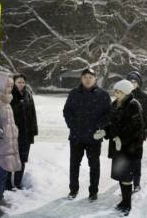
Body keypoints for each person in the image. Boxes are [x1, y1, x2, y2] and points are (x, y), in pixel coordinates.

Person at [94, 79, 144, 216]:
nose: (116, 93)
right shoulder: (115, 104)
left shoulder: (134, 105)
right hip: (118, 147)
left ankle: (127, 205)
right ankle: (123, 201)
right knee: (121, 176)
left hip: (130, 148)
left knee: (127, 177)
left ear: (127, 91)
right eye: (115, 91)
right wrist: (105, 131)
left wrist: (122, 139)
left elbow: (136, 128)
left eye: (119, 91)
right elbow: (112, 123)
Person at [63, 68, 111, 201]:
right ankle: (73, 190)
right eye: (85, 77)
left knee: (94, 165)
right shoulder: (74, 93)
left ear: (95, 78)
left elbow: (108, 113)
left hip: (94, 137)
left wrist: (99, 126)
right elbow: (67, 111)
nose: (88, 80)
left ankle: (93, 191)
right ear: (81, 79)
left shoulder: (103, 94)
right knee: (74, 165)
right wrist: (73, 126)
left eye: (90, 77)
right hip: (76, 136)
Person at [0, 72, 22, 216]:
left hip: (8, 144)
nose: (10, 88)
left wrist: (14, 131)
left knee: (4, 174)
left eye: (11, 85)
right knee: (0, 175)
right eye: (7, 85)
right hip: (0, 146)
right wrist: (2, 135)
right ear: (0, 85)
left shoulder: (6, 101)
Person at [6, 73, 38, 190]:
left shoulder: (28, 94)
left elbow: (33, 114)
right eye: (19, 82)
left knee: (22, 160)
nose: (21, 84)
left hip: (26, 134)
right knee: (10, 159)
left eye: (23, 82)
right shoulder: (9, 94)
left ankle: (18, 183)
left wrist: (33, 131)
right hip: (13, 133)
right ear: (14, 82)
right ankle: (7, 184)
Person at [126, 71, 147, 192]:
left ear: (138, 83)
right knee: (126, 158)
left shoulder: (143, 96)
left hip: (138, 133)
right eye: (130, 82)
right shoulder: (123, 94)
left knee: (136, 159)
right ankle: (126, 180)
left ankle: (136, 183)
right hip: (125, 133)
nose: (133, 84)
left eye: (135, 82)